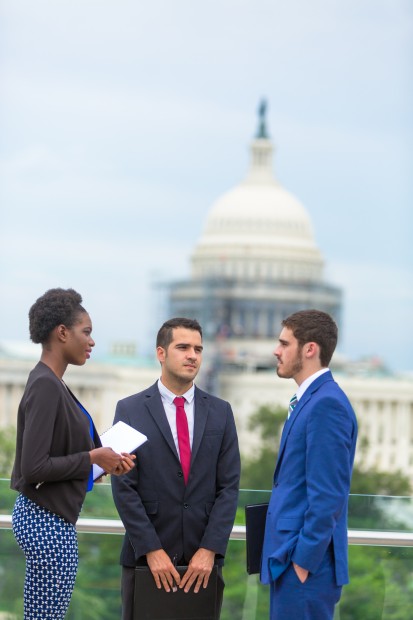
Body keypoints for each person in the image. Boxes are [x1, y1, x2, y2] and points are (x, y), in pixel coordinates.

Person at [10, 288, 136, 620]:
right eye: (87, 332)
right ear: (62, 333)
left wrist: (102, 464)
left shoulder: (52, 383)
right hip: (45, 520)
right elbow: (34, 467)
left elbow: (56, 458)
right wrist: (93, 459)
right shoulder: (45, 385)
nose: (92, 341)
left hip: (48, 518)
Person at [111, 317, 240, 620]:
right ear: (161, 353)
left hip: (203, 565)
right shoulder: (129, 409)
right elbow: (124, 487)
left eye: (198, 348)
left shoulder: (221, 412)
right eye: (183, 347)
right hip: (145, 562)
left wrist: (210, 550)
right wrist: (151, 550)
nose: (192, 355)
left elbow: (229, 487)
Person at [261, 309, 358, 620]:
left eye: (284, 343)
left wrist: (302, 562)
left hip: (305, 567)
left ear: (310, 349)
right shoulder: (311, 400)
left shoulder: (326, 404)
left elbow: (329, 494)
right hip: (289, 560)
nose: (276, 351)